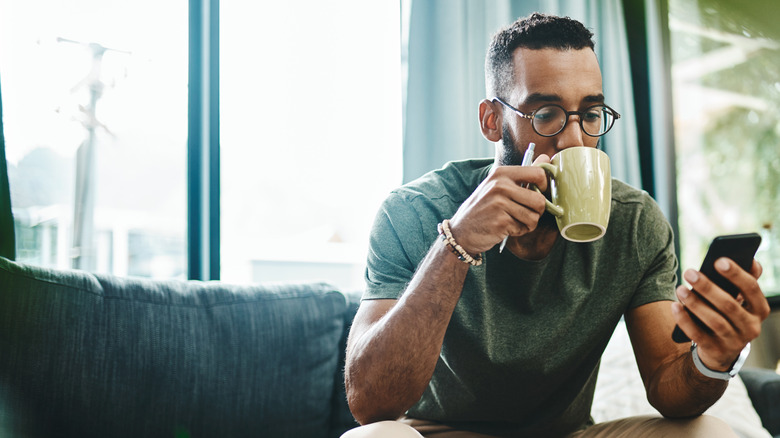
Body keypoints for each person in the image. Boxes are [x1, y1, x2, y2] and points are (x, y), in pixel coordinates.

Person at [342, 12, 770, 438]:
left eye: (590, 112)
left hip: (569, 435)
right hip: (440, 431)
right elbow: (370, 404)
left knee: (708, 432)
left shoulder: (634, 223)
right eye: (546, 113)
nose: (574, 140)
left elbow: (667, 386)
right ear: (493, 120)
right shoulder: (413, 212)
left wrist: (713, 358)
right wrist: (458, 242)